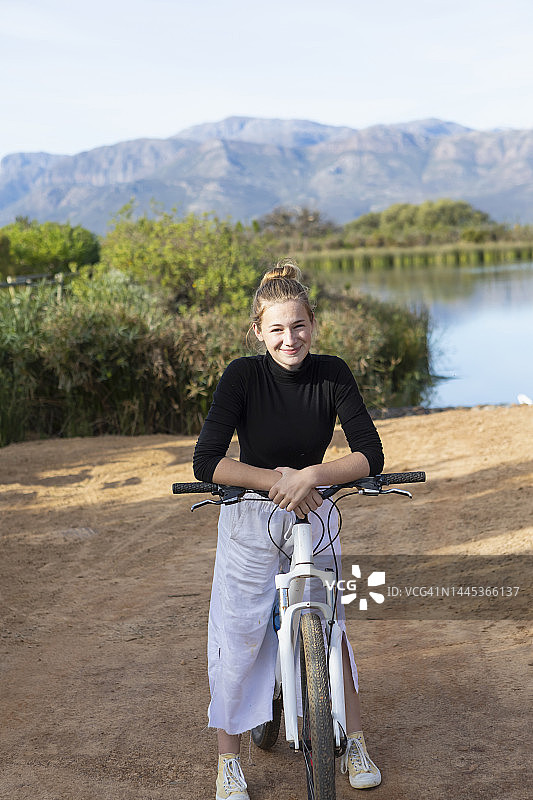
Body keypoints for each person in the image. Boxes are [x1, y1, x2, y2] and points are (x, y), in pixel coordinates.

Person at [193, 259, 384, 800]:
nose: (289, 338)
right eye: (276, 328)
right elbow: (207, 462)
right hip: (251, 518)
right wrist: (275, 480)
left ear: (312, 324)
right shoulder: (242, 376)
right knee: (237, 635)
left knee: (334, 627)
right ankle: (229, 762)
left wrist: (313, 477)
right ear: (258, 331)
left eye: (298, 325)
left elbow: (370, 453)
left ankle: (354, 741)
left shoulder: (333, 373)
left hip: (315, 511)